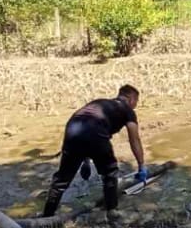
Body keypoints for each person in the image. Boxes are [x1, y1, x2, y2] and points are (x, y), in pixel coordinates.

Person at [42, 84, 147, 219]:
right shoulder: (127, 110)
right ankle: (112, 211)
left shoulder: (99, 103)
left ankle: (47, 215)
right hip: (96, 131)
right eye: (136, 102)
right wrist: (141, 165)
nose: (135, 105)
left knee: (62, 179)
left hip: (72, 128)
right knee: (110, 173)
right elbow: (134, 139)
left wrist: (85, 161)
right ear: (131, 99)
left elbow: (84, 126)